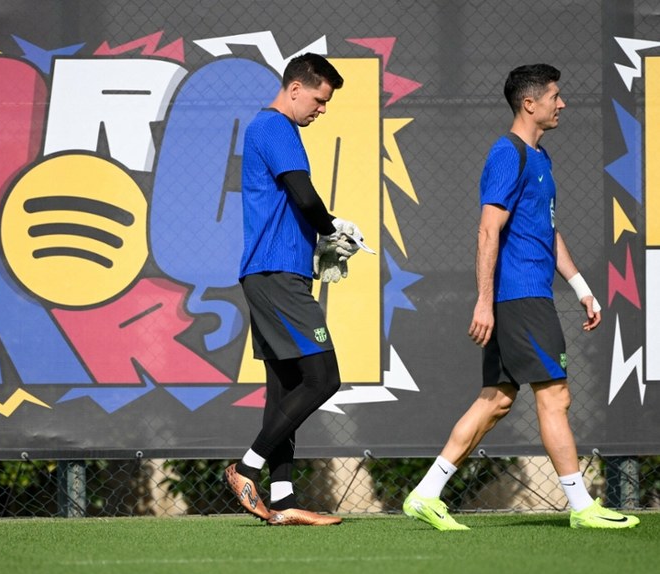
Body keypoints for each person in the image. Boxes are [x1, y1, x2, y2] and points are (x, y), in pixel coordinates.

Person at [403, 64, 640, 530]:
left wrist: (581, 288)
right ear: (529, 103)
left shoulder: (541, 158)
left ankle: (425, 494)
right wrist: (484, 302)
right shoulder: (506, 154)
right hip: (519, 299)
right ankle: (582, 507)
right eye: (555, 95)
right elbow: (488, 230)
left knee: (496, 400)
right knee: (556, 395)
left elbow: (546, 232)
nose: (562, 103)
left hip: (530, 295)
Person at [224, 53, 373, 526]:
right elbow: (304, 195)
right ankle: (245, 468)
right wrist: (331, 228)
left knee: (286, 387)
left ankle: (283, 502)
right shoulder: (275, 128)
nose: (321, 109)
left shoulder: (272, 129)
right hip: (275, 276)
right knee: (323, 378)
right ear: (294, 89)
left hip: (275, 274)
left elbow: (297, 202)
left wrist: (324, 231)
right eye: (319, 99)